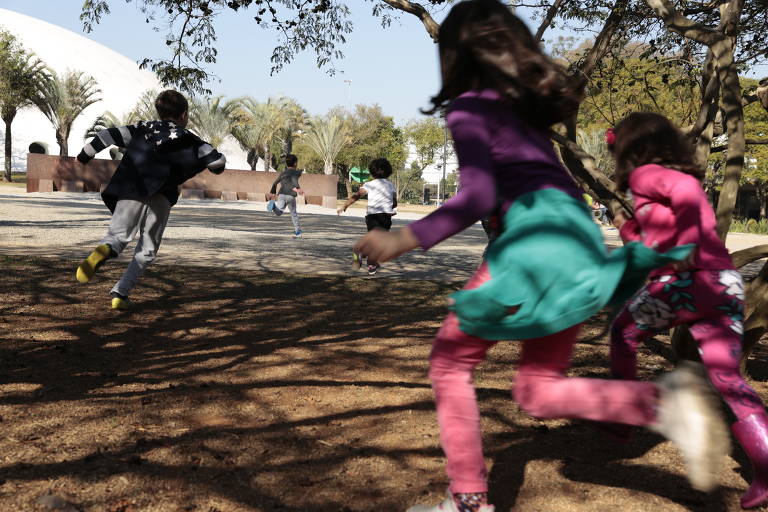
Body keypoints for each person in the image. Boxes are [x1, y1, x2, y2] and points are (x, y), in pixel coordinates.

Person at [351, 2, 729, 511]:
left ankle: (467, 502)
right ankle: (663, 402)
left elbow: (478, 196)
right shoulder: (526, 117)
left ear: (454, 56)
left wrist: (405, 238)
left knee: (449, 363)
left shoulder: (469, 108)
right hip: (578, 238)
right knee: (536, 391)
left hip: (534, 241)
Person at [607, 112, 768, 510]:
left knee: (623, 332)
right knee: (727, 380)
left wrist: (687, 247)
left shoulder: (648, 174)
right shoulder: (658, 181)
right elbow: (651, 237)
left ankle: (625, 419)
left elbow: (686, 195)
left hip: (686, 283)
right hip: (723, 284)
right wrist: (627, 227)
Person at [75, 89, 226, 309]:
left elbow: (105, 136)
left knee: (118, 236)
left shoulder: (142, 129)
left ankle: (105, 249)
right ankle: (120, 294)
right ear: (184, 115)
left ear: (159, 111)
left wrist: (84, 156)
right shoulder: (191, 140)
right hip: (162, 196)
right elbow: (217, 163)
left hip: (132, 187)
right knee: (147, 248)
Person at [338, 158, 397, 275]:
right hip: (384, 217)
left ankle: (367, 259)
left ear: (372, 171)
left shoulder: (369, 185)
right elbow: (394, 202)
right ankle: (366, 257)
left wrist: (345, 205)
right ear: (388, 171)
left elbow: (357, 195)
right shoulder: (390, 185)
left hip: (371, 217)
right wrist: (392, 208)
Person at [267, 154, 304, 238]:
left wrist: (272, 192)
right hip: (290, 195)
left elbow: (275, 183)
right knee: (294, 214)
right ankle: (298, 232)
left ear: (287, 164)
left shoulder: (283, 173)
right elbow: (294, 180)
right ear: (295, 164)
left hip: (281, 194)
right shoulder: (295, 172)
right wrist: (298, 188)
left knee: (279, 212)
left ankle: (273, 207)